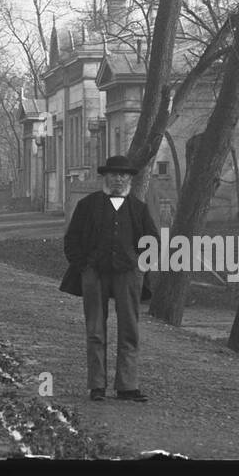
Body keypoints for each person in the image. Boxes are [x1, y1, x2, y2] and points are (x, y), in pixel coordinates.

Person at [59, 155, 157, 402]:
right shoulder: (87, 206)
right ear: (105, 177)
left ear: (130, 179)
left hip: (128, 275)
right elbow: (72, 240)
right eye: (113, 175)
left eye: (123, 175)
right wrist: (83, 266)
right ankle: (97, 385)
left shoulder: (138, 208)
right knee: (95, 330)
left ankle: (127, 386)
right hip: (94, 274)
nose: (118, 179)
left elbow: (152, 242)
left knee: (129, 330)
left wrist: (139, 268)